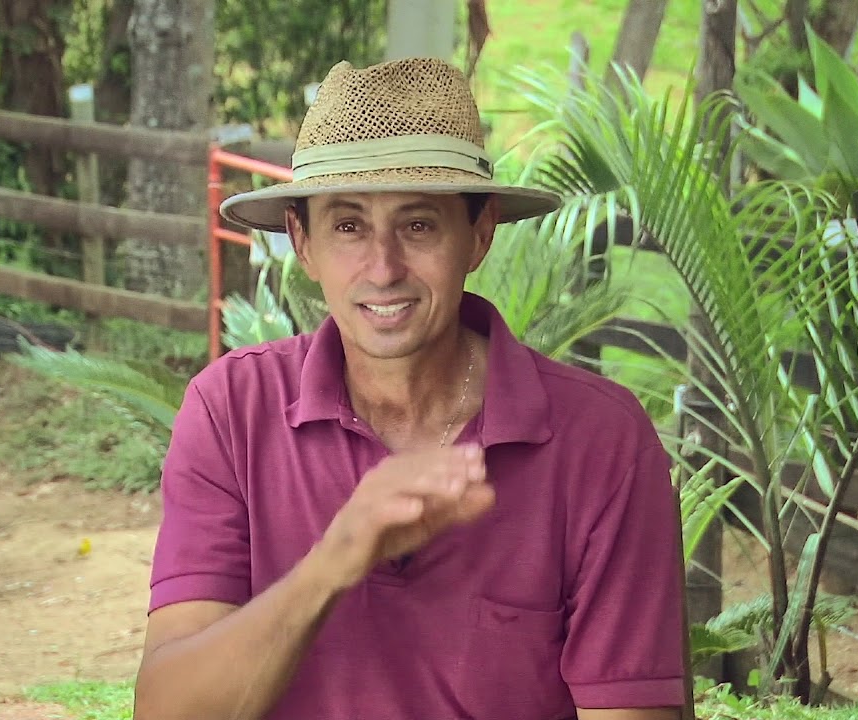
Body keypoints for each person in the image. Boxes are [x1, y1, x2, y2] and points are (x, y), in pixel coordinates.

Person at [133, 57, 688, 720]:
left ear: (478, 236)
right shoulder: (231, 409)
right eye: (348, 226)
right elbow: (166, 710)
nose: (384, 267)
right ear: (302, 243)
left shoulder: (601, 441)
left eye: (418, 225)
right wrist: (333, 561)